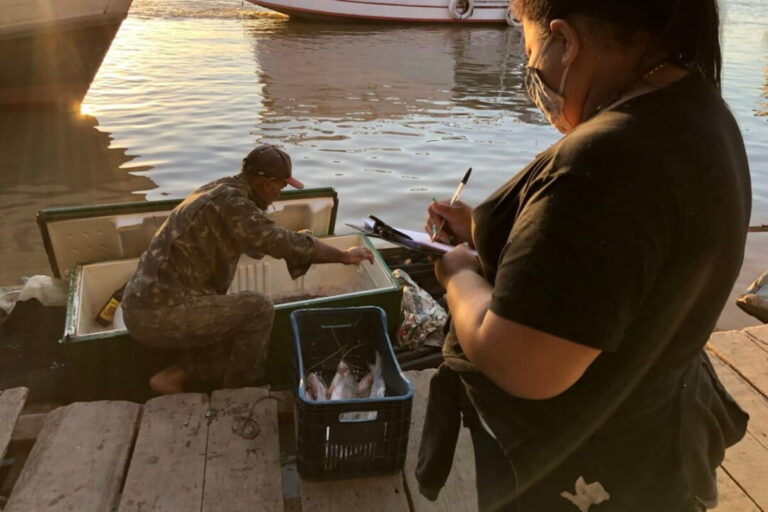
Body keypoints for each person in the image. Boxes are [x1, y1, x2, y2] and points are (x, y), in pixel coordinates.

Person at [417, 0, 751, 511]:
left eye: (530, 53)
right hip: (650, 438)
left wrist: (458, 271)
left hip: (582, 471)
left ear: (566, 42)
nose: (533, 76)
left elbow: (521, 362)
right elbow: (608, 266)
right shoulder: (694, 108)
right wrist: (487, 232)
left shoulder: (609, 159)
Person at [122, 144, 373, 395]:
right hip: (157, 315)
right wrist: (343, 256)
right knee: (258, 309)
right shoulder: (234, 204)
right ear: (267, 183)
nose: (279, 194)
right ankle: (241, 394)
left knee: (232, 311)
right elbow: (278, 242)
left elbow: (260, 243)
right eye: (281, 187)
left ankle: (174, 376)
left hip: (145, 301)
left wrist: (299, 241)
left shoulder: (220, 189)